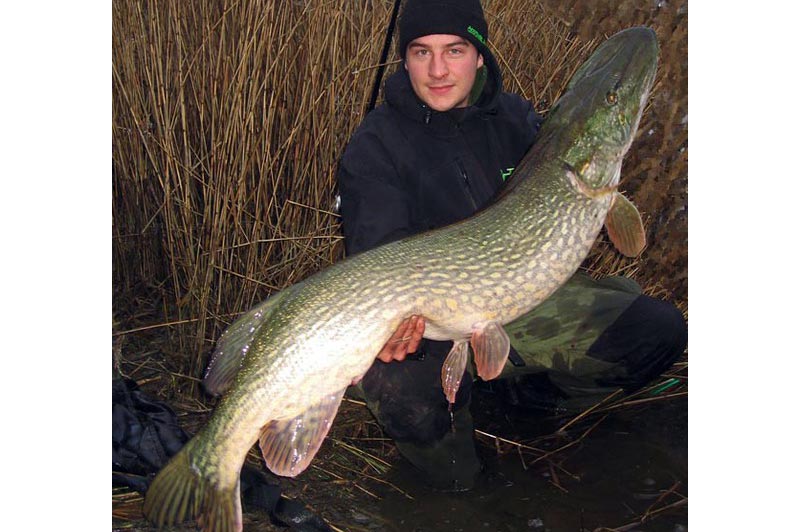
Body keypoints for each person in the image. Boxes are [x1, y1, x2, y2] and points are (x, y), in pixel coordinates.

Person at [336, 0, 687, 491]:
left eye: (454, 50)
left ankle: (521, 410)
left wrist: (601, 191)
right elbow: (379, 254)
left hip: (513, 301)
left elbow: (612, 235)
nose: (438, 70)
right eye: (421, 52)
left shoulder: (515, 120)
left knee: (657, 330)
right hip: (430, 324)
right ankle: (456, 482)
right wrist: (400, 323)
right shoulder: (375, 145)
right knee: (406, 396)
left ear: (479, 55)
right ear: (405, 59)